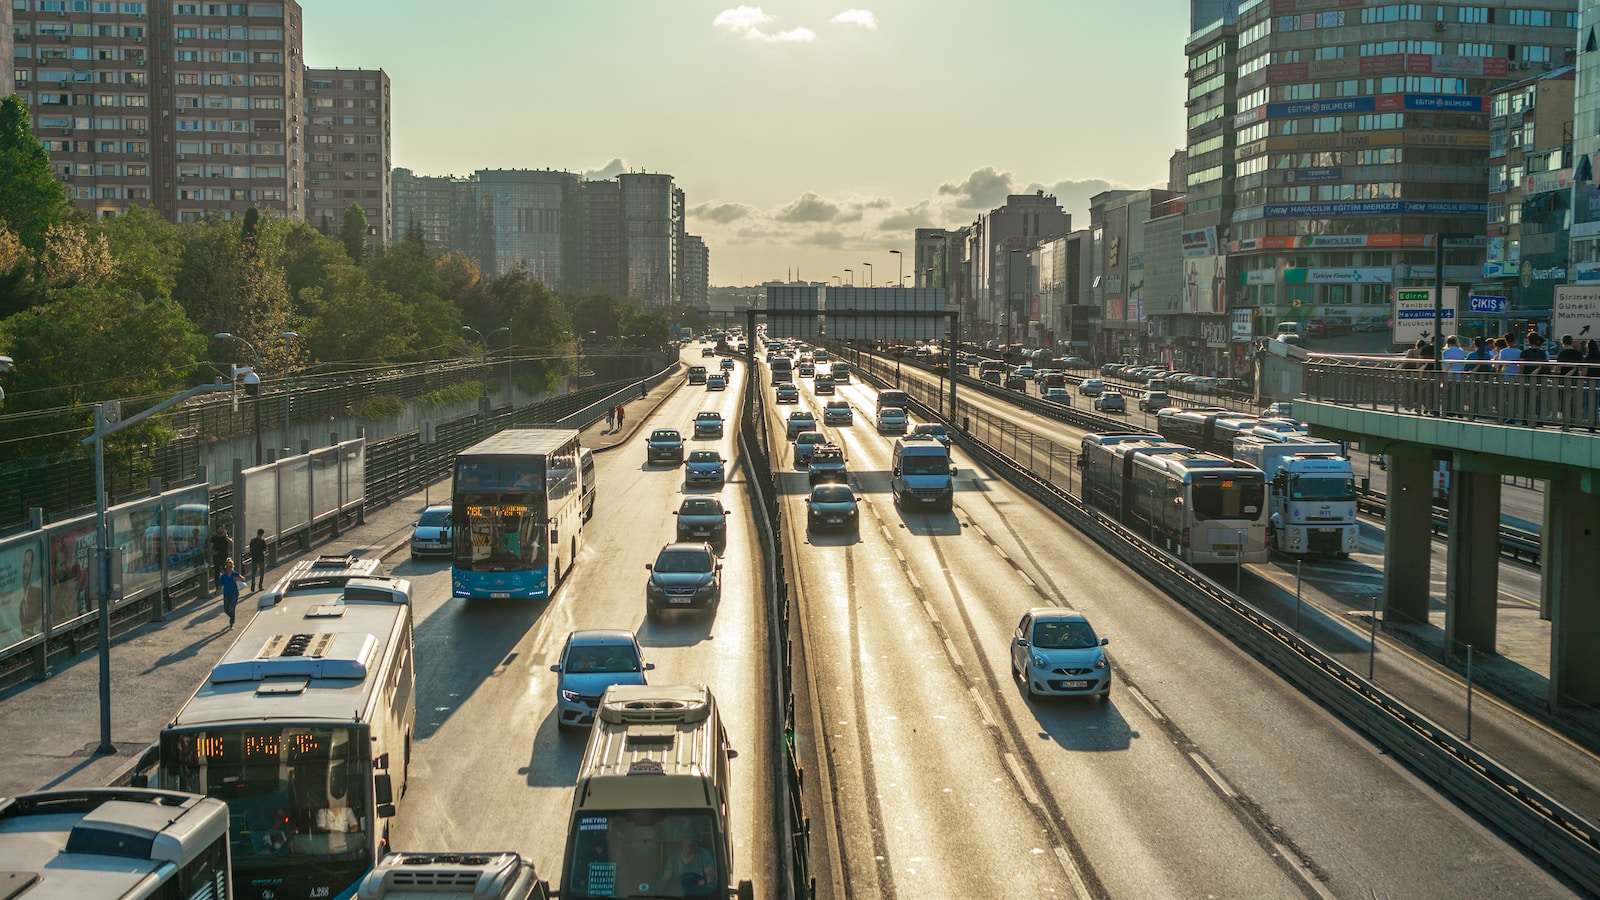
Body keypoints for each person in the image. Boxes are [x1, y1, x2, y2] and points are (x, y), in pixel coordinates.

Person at [216, 557, 245, 629]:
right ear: (226, 566)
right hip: (226, 594)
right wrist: (218, 591)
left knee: (232, 608)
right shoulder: (223, 576)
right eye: (227, 566)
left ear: (232, 566)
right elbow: (220, 584)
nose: (229, 568)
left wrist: (237, 579)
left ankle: (231, 623)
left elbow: (243, 579)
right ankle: (232, 617)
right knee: (226, 609)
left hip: (234, 593)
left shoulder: (235, 574)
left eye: (230, 566)